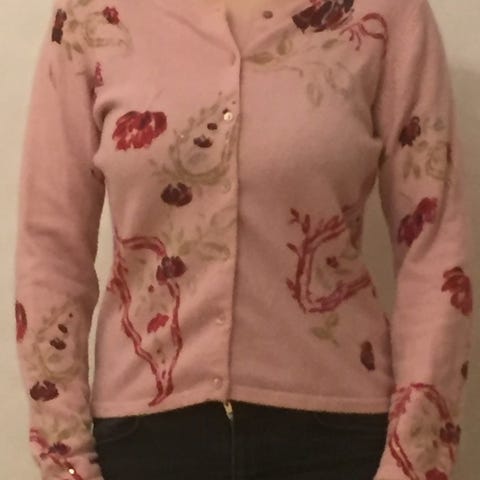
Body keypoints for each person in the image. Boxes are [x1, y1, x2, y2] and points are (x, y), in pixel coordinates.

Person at [14, 0, 474, 479]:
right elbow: (51, 250)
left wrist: (414, 462)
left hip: (338, 440)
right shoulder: (91, 15)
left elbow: (435, 244)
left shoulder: (386, 13)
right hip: (143, 442)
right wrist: (65, 462)